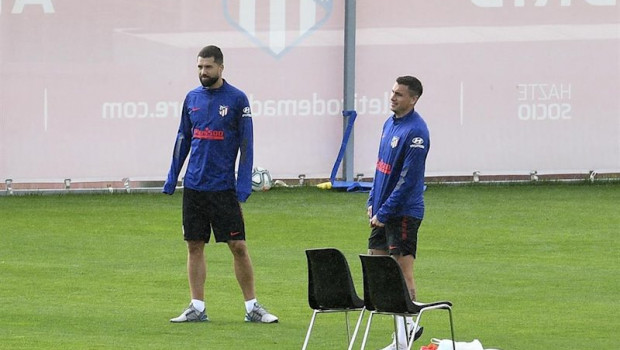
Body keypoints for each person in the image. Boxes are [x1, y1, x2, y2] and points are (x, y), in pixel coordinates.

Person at [163, 45, 278, 324]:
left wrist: (242, 185)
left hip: (223, 188)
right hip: (194, 186)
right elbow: (183, 138)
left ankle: (252, 307)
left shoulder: (237, 99)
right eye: (200, 67)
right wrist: (172, 177)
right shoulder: (192, 98)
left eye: (208, 67)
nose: (203, 72)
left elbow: (246, 144)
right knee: (194, 245)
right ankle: (197, 307)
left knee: (238, 246)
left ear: (221, 68)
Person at [366, 76, 429, 349]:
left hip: (402, 213)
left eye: (400, 95)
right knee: (378, 269)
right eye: (392, 92)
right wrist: (372, 199)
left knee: (402, 271)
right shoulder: (389, 123)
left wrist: (386, 211)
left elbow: (408, 180)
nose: (393, 97)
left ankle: (407, 328)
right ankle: (404, 331)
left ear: (413, 99)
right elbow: (381, 166)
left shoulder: (416, 133)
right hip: (382, 211)